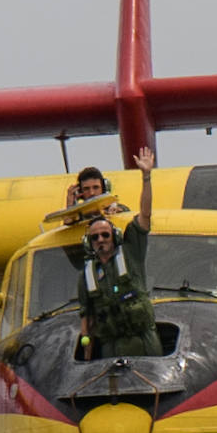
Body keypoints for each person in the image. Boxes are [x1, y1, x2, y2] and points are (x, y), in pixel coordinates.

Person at [76, 147, 162, 358]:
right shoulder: (87, 276)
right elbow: (86, 317)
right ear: (89, 242)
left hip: (144, 342)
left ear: (113, 236)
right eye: (95, 237)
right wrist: (87, 353)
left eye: (105, 235)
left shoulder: (131, 253)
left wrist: (146, 176)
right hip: (111, 347)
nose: (101, 240)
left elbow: (145, 214)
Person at [63, 165, 129, 224]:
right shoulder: (77, 216)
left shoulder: (119, 208)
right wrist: (70, 205)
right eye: (86, 189)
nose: (92, 193)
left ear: (104, 189)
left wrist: (118, 213)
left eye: (96, 187)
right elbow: (68, 222)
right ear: (80, 191)